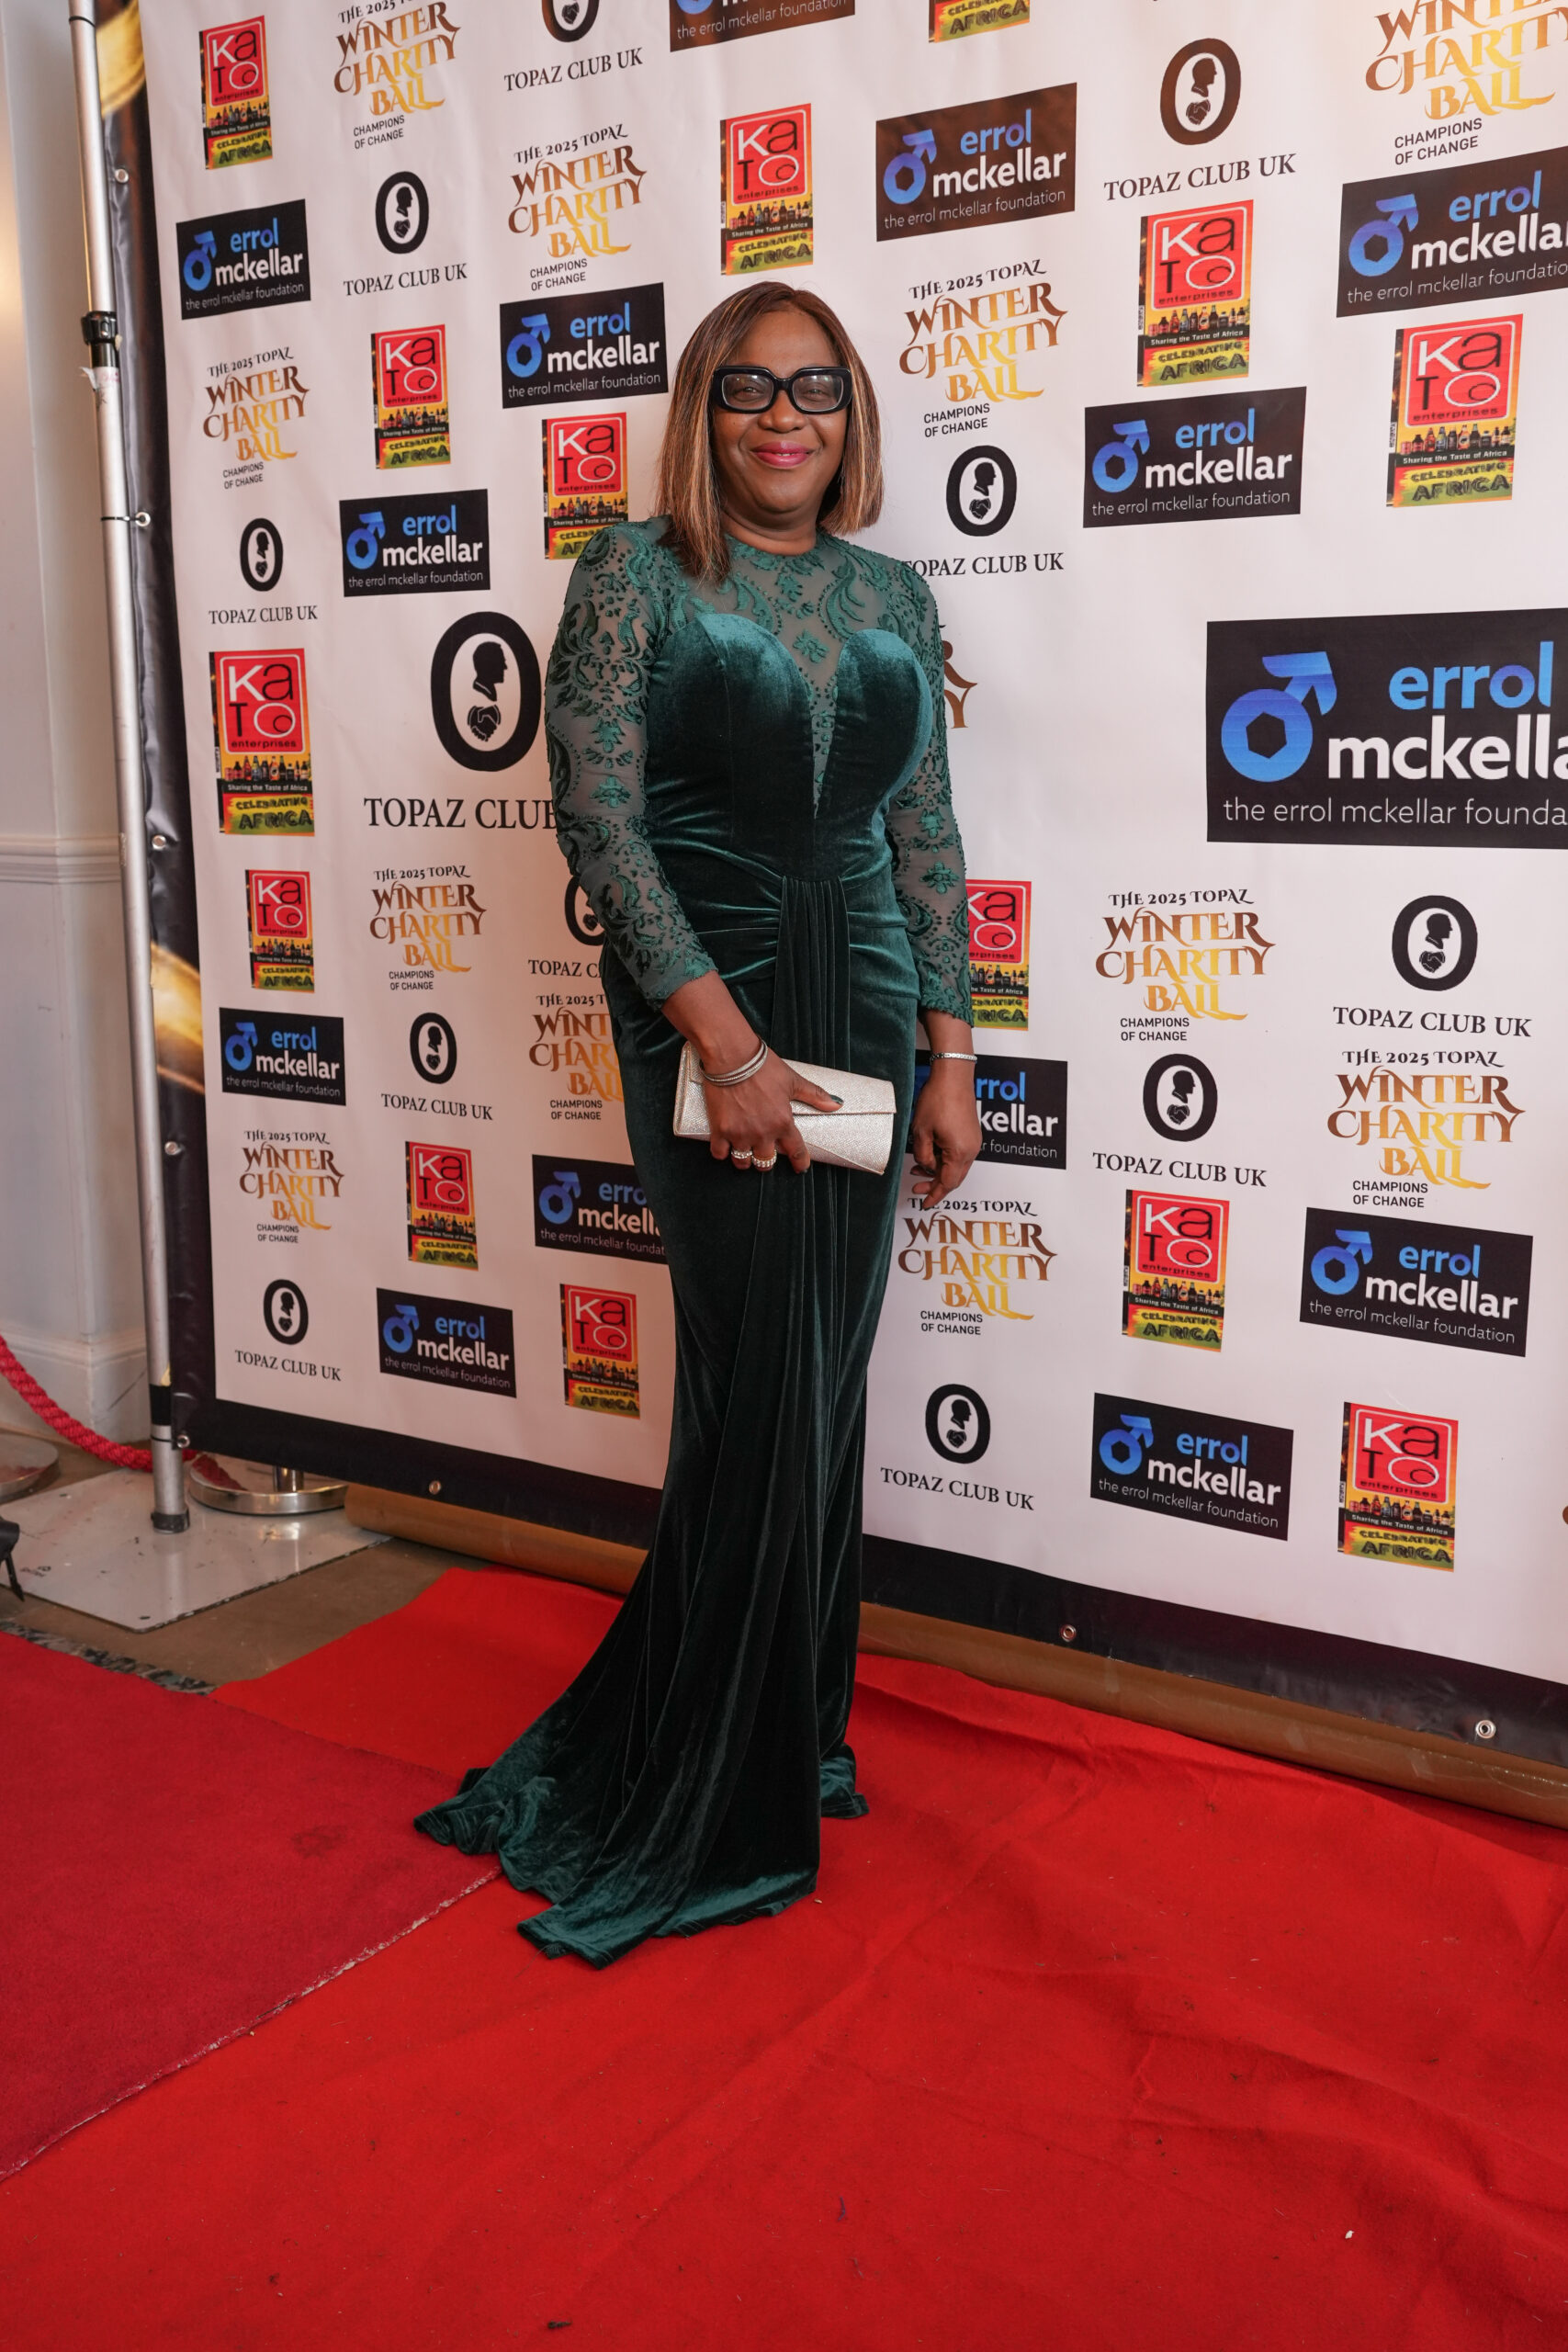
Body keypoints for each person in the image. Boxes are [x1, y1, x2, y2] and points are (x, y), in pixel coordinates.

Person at [416, 280, 978, 1965]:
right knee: (752, 1385)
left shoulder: (892, 591)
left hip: (863, 1016)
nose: (783, 418)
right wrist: (726, 1047)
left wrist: (955, 1058)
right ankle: (703, 1781)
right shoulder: (633, 575)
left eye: (815, 389)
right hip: (705, 1016)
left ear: (850, 414)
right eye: (748, 389)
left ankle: (793, 1731)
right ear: (702, 413)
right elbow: (599, 823)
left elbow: (927, 840)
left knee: (826, 1379)